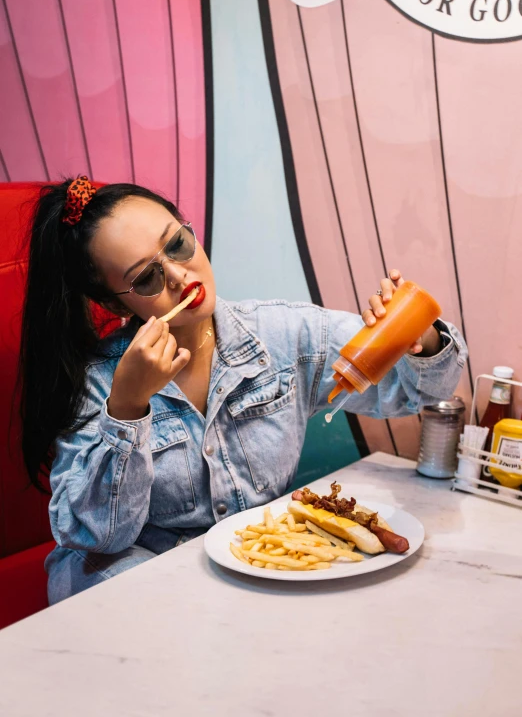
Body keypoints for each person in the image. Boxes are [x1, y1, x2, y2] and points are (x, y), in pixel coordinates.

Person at [19, 178, 468, 603]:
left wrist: (418, 337)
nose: (179, 275)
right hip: (139, 583)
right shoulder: (98, 380)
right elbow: (94, 538)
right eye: (147, 278)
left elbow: (415, 391)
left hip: (250, 575)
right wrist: (128, 407)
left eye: (178, 244)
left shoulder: (285, 334)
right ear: (117, 303)